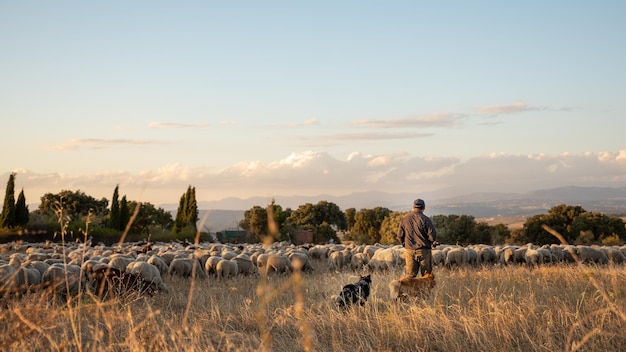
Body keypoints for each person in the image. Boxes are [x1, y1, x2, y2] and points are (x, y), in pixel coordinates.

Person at [397, 198, 438, 278]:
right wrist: (432, 242)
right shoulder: (426, 219)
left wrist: (405, 244)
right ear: (423, 207)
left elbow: (399, 235)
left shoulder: (404, 218)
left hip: (409, 251)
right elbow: (432, 236)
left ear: (413, 207)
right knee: (426, 276)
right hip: (423, 251)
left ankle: (409, 290)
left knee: (409, 277)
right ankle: (424, 291)